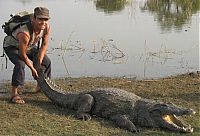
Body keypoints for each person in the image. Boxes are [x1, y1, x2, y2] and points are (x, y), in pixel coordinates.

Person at [3, 7, 51, 104]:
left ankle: (40, 86)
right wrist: (33, 68)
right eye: (40, 19)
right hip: (12, 46)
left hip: (28, 46)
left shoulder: (46, 27)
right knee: (20, 64)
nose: (43, 22)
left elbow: (44, 45)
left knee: (46, 61)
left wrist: (39, 61)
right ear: (34, 18)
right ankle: (14, 94)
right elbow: (22, 54)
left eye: (45, 19)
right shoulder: (24, 33)